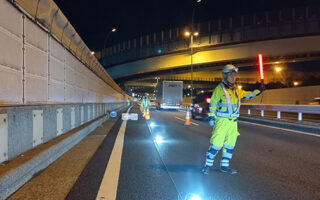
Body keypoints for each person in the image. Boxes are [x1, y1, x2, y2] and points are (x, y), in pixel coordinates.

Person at [202, 64, 265, 175]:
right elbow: (213, 103)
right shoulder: (219, 89)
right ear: (225, 76)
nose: (233, 77)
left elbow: (248, 95)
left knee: (229, 145)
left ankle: (224, 166)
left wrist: (259, 90)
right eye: (230, 74)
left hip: (233, 123)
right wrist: (211, 116)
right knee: (216, 144)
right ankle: (207, 166)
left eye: (234, 75)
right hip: (221, 121)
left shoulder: (236, 90)